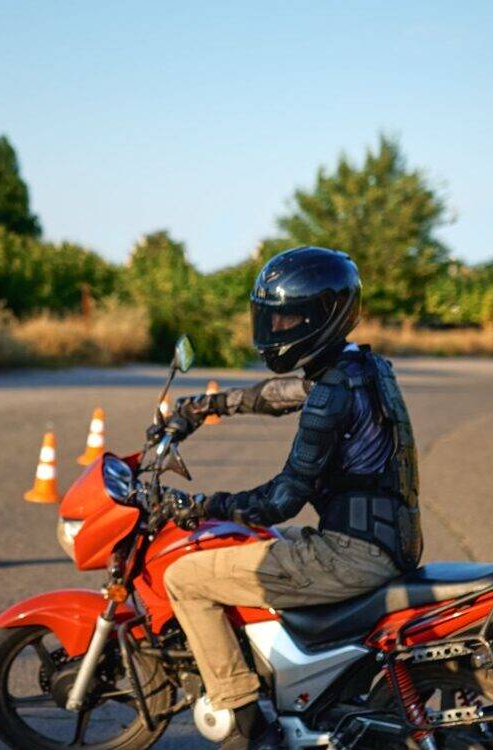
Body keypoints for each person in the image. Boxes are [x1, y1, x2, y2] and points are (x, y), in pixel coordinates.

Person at [154, 247, 423, 749]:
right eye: (271, 316)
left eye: (288, 317)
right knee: (263, 541)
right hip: (388, 539)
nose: (275, 329)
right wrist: (208, 405)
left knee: (185, 577)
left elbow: (282, 497)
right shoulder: (362, 366)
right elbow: (282, 394)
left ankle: (241, 722)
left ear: (322, 316)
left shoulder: (332, 395)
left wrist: (200, 507)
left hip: (353, 554)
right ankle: (296, 677)